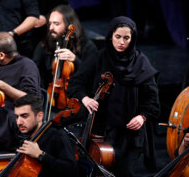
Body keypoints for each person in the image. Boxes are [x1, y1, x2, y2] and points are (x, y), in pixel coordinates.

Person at [66, 16, 160, 176]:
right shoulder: (99, 57)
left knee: (125, 173)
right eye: (118, 37)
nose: (121, 42)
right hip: (100, 131)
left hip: (130, 134)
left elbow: (152, 99)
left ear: (133, 38)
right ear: (111, 36)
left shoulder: (141, 63)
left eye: (126, 38)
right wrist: (86, 98)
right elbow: (76, 83)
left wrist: (142, 117)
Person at [33, 5, 98, 90]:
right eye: (50, 23)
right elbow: (35, 73)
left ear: (68, 25)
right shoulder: (44, 44)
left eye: (56, 24)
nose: (51, 28)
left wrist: (75, 60)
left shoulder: (87, 46)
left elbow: (93, 76)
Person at [12, 94, 78, 177]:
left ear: (39, 116)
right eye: (17, 117)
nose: (18, 122)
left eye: (24, 116)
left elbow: (72, 171)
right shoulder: (26, 138)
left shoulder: (57, 136)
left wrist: (41, 155)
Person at [0, 32, 41, 110]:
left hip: (15, 116)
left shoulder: (26, 66)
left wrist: (2, 86)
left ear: (1, 55)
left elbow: (33, 100)